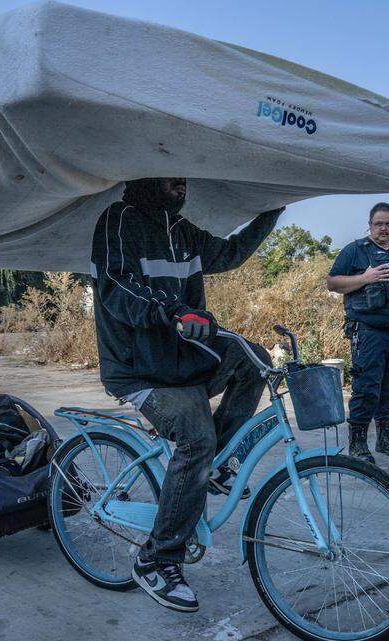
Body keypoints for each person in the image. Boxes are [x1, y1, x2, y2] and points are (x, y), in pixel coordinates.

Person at [90, 177, 283, 612]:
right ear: (146, 177)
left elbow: (230, 253)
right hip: (139, 370)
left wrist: (274, 211)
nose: (182, 183)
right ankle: (156, 559)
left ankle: (214, 465)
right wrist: (174, 310)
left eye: (184, 176)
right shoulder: (119, 221)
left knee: (255, 361)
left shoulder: (183, 231)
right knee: (196, 437)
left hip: (181, 357)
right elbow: (116, 287)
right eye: (171, 175)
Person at [326, 203, 389, 463]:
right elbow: (332, 282)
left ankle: (385, 438)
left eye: (388, 224)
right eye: (379, 224)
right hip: (367, 331)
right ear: (369, 224)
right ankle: (357, 444)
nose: (384, 228)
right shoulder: (355, 251)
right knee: (366, 388)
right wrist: (365, 278)